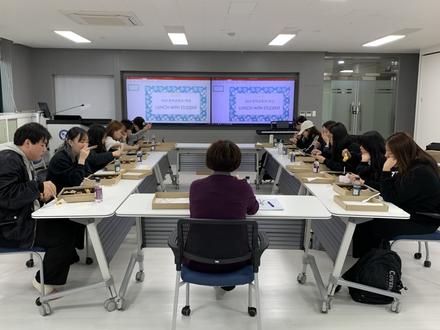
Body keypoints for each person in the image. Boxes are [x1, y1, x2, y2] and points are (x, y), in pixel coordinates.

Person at [0, 123, 79, 293]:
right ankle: (44, 281)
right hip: (10, 228)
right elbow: (6, 195)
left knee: (69, 223)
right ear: (27, 143)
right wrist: (38, 188)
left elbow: (17, 191)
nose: (44, 149)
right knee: (63, 235)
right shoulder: (8, 159)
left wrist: (38, 194)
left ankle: (62, 261)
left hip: (18, 218)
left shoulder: (17, 158)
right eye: (42, 145)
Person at [352, 132, 440, 258]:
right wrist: (368, 182)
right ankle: (366, 262)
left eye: (390, 152)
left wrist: (386, 170)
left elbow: (391, 197)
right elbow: (390, 189)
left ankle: (372, 264)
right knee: (367, 223)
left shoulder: (420, 171)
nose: (386, 155)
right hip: (409, 213)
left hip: (422, 221)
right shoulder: (410, 166)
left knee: (370, 226)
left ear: (401, 152)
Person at [188, 140, 259, 289]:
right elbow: (253, 209)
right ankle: (226, 280)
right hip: (237, 261)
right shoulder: (243, 187)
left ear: (209, 160)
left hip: (197, 260)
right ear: (236, 162)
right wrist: (240, 185)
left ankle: (219, 278)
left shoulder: (196, 186)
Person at [47, 127, 91, 253]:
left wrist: (83, 160)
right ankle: (70, 249)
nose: (85, 145)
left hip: (71, 195)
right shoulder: (60, 158)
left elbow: (87, 174)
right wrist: (82, 160)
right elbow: (75, 181)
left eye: (86, 141)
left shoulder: (78, 154)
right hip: (57, 200)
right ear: (70, 142)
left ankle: (74, 246)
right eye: (81, 141)